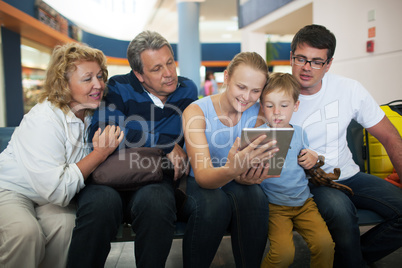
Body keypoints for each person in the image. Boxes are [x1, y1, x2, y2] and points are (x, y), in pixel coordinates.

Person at [67, 31, 198, 267]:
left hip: (156, 176)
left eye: (170, 63)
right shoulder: (118, 86)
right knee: (98, 205)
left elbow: (192, 131)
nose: (168, 73)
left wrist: (135, 133)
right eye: (156, 69)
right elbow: (105, 132)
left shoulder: (187, 89)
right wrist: (165, 143)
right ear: (139, 74)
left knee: (157, 202)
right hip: (110, 176)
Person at [0, 43, 123, 268]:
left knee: (66, 225)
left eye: (99, 76)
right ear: (64, 84)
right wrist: (100, 154)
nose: (98, 85)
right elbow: (57, 190)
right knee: (24, 233)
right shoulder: (44, 119)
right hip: (12, 189)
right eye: (87, 79)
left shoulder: (92, 113)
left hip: (45, 195)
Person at [288, 24, 402, 267]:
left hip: (348, 175)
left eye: (317, 61)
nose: (307, 67)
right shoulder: (275, 94)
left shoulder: (349, 89)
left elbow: (391, 138)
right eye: (301, 59)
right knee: (341, 211)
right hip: (307, 181)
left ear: (328, 64)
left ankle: (351, 260)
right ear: (291, 57)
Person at [182, 52, 277, 267]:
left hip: (235, 179)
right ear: (226, 78)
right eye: (241, 87)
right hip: (200, 182)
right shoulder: (196, 112)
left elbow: (254, 164)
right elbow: (204, 177)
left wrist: (251, 174)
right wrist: (234, 170)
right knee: (214, 204)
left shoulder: (260, 110)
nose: (247, 97)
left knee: (255, 197)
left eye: (255, 91)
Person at [258, 72, 334, 267]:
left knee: (325, 245)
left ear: (295, 106)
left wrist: (311, 158)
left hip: (304, 204)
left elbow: (307, 160)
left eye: (284, 105)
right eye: (269, 105)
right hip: (275, 207)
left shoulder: (300, 133)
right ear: (261, 106)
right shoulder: (258, 136)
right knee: (283, 255)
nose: (277, 112)